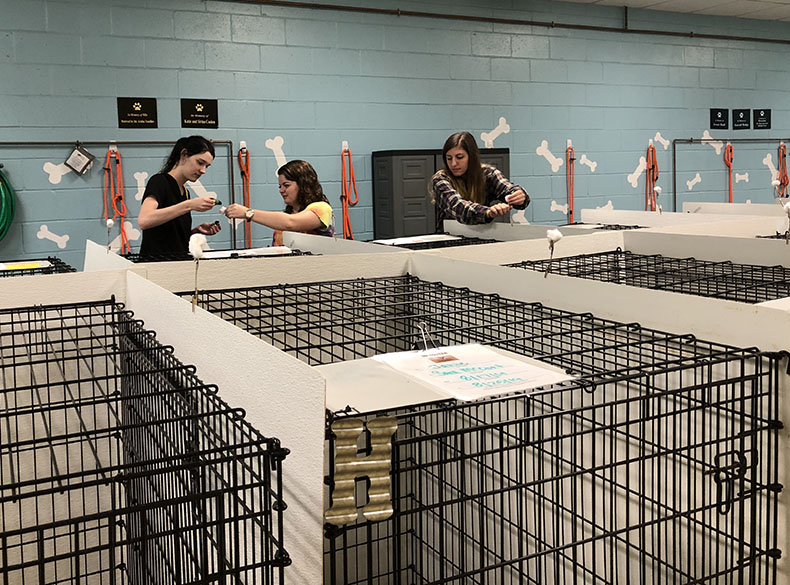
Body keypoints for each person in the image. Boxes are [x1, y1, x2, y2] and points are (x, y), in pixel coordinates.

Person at [137, 136, 221, 256]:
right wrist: (189, 205)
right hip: (157, 265)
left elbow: (169, 237)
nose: (203, 171)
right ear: (184, 154)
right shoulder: (159, 182)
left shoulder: (185, 192)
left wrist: (194, 231)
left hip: (178, 264)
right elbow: (144, 220)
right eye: (200, 163)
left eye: (206, 166)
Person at [431, 131, 529, 232]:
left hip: (482, 236)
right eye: (449, 158)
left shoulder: (488, 173)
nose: (453, 163)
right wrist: (487, 212)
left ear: (472, 157)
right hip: (449, 238)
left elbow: (507, 187)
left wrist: (519, 196)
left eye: (459, 157)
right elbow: (458, 207)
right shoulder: (440, 179)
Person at [224, 160, 334, 246]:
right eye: (280, 186)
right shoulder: (290, 213)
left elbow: (290, 223)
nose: (281, 190)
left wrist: (248, 213)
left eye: (286, 185)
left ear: (303, 184)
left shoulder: (322, 209)